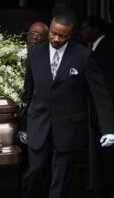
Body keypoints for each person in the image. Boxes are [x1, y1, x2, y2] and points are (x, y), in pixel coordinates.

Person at [19, 15, 114, 198]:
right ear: (50, 29)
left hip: (69, 129)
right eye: (53, 33)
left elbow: (100, 94)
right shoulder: (34, 54)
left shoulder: (83, 56)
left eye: (61, 36)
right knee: (35, 173)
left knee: (60, 182)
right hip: (38, 124)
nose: (56, 39)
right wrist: (22, 126)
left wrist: (109, 129)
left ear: (70, 35)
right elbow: (27, 93)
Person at [82, 15, 114, 198]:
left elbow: (106, 86)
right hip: (101, 114)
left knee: (109, 159)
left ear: (96, 30)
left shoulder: (104, 49)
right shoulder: (99, 48)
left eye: (86, 28)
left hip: (106, 113)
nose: (83, 32)